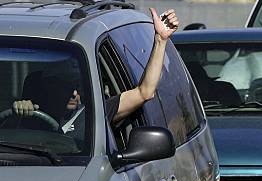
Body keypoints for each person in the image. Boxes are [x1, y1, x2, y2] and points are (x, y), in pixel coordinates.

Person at [13, 8, 180, 128]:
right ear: (48, 89)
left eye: (78, 85)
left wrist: (160, 40)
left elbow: (145, 92)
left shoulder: (96, 114)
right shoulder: (33, 116)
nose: (74, 93)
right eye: (65, 85)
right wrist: (21, 112)